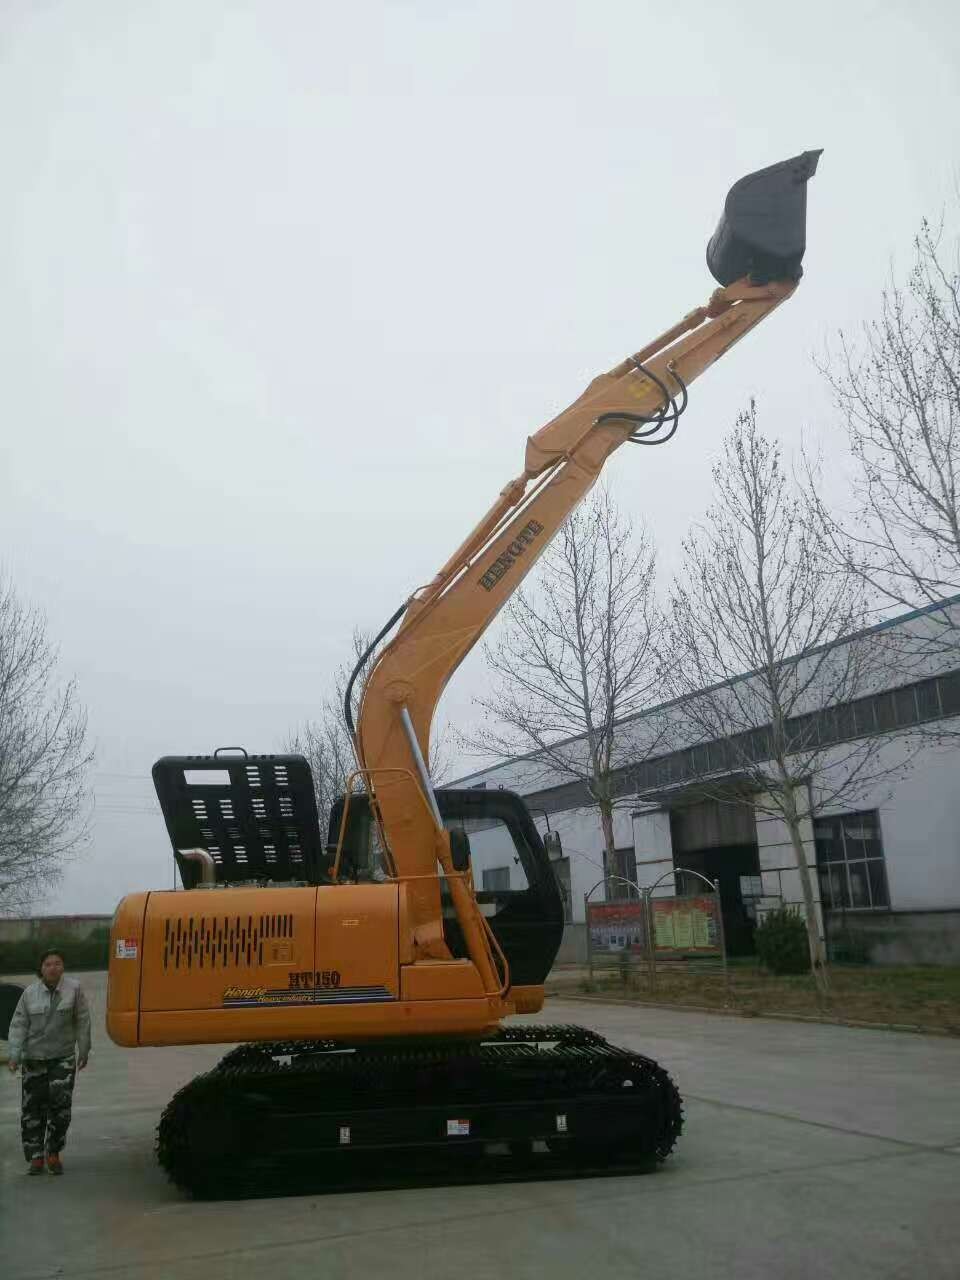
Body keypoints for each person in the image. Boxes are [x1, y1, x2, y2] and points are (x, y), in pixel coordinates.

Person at [7, 949, 91, 1176]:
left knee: (61, 1108)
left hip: (62, 1058)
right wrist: (14, 1055)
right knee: (32, 1109)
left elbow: (82, 1020)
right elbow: (18, 1025)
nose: (53, 968)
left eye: (57, 963)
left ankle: (53, 1152)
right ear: (41, 968)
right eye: (48, 964)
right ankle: (35, 1156)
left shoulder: (74, 989)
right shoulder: (30, 993)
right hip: (34, 1060)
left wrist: (84, 1049)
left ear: (63, 967)